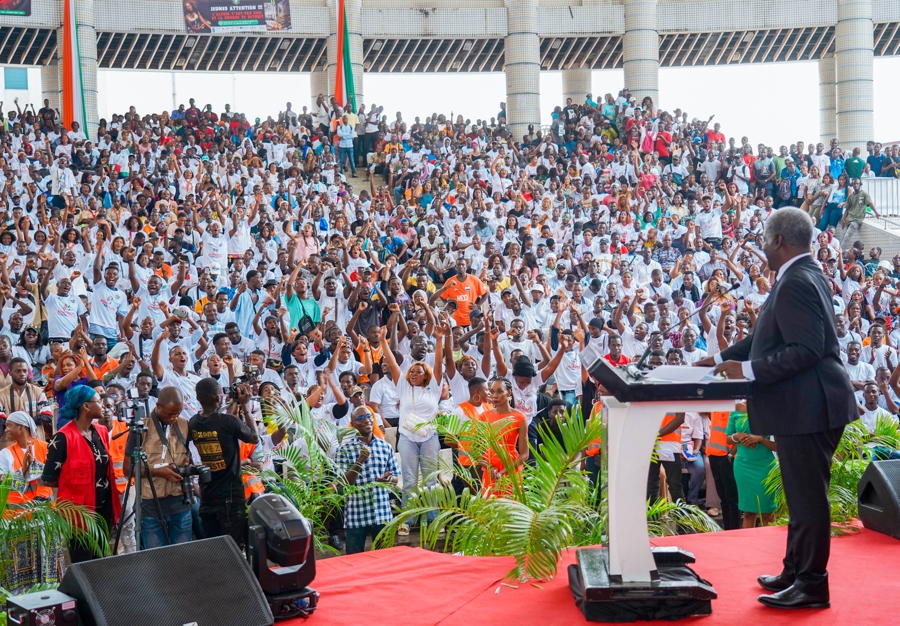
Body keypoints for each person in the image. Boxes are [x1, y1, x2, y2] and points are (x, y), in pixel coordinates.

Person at [698, 208, 855, 610]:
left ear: (778, 240)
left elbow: (807, 349)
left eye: (764, 240)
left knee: (808, 498)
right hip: (806, 405)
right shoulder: (800, 274)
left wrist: (747, 370)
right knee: (800, 495)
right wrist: (718, 359)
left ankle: (812, 585)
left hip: (811, 406)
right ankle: (795, 571)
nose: (763, 247)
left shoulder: (797, 280)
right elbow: (765, 336)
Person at [41, 386, 121, 562]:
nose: (103, 405)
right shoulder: (63, 438)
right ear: (86, 406)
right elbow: (49, 479)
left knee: (102, 559)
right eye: (99, 401)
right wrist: (74, 484)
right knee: (83, 562)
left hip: (104, 509)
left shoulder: (100, 431)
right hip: (79, 514)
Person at [188, 377, 259, 546]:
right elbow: (254, 437)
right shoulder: (229, 422)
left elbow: (219, 423)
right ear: (218, 397)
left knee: (214, 546)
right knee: (233, 546)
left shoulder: (193, 422)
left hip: (207, 495)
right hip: (230, 496)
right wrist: (246, 407)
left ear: (197, 398)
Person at [123, 386, 194, 548]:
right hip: (151, 507)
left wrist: (187, 463)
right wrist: (157, 472)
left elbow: (188, 456)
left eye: (177, 413)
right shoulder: (140, 427)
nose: (174, 418)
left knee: (183, 555)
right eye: (170, 414)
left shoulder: (184, 424)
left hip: (181, 503)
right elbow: (127, 469)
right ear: (158, 406)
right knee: (157, 558)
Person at [0, 412, 63, 592]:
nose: (6, 429)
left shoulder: (46, 448)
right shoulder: (5, 454)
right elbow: (3, 483)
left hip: (44, 519)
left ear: (22, 427)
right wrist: (23, 471)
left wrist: (33, 470)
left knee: (47, 564)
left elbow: (55, 477)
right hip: (16, 521)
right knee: (18, 566)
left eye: (9, 425)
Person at [334, 404, 399, 554]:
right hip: (356, 516)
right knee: (354, 562)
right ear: (352, 423)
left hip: (382, 514)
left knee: (385, 560)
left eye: (369, 416)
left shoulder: (385, 447)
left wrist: (389, 479)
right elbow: (343, 484)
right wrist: (359, 461)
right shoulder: (344, 450)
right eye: (361, 418)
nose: (367, 420)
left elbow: (396, 477)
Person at [726, 407, 778, 528]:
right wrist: (737, 436)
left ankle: (770, 540)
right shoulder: (736, 409)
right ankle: (748, 540)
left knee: (768, 514)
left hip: (765, 467)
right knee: (748, 513)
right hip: (743, 465)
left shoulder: (771, 410)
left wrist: (760, 439)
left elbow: (777, 446)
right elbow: (728, 439)